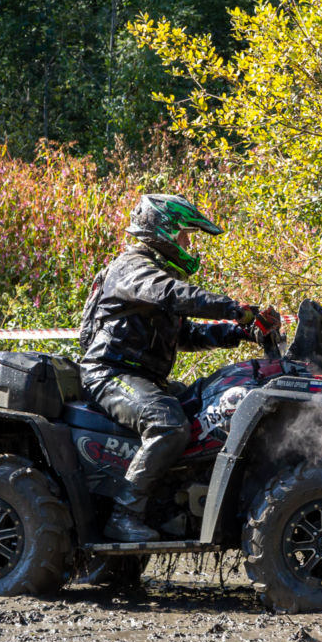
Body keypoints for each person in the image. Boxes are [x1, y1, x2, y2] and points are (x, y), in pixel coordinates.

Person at [78, 194, 267, 543]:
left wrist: (240, 332)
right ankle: (125, 514)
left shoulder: (153, 274)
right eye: (185, 236)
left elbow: (186, 334)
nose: (188, 245)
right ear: (164, 232)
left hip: (143, 377)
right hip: (110, 374)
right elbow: (174, 294)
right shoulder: (133, 269)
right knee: (168, 424)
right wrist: (232, 308)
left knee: (206, 403)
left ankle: (171, 504)